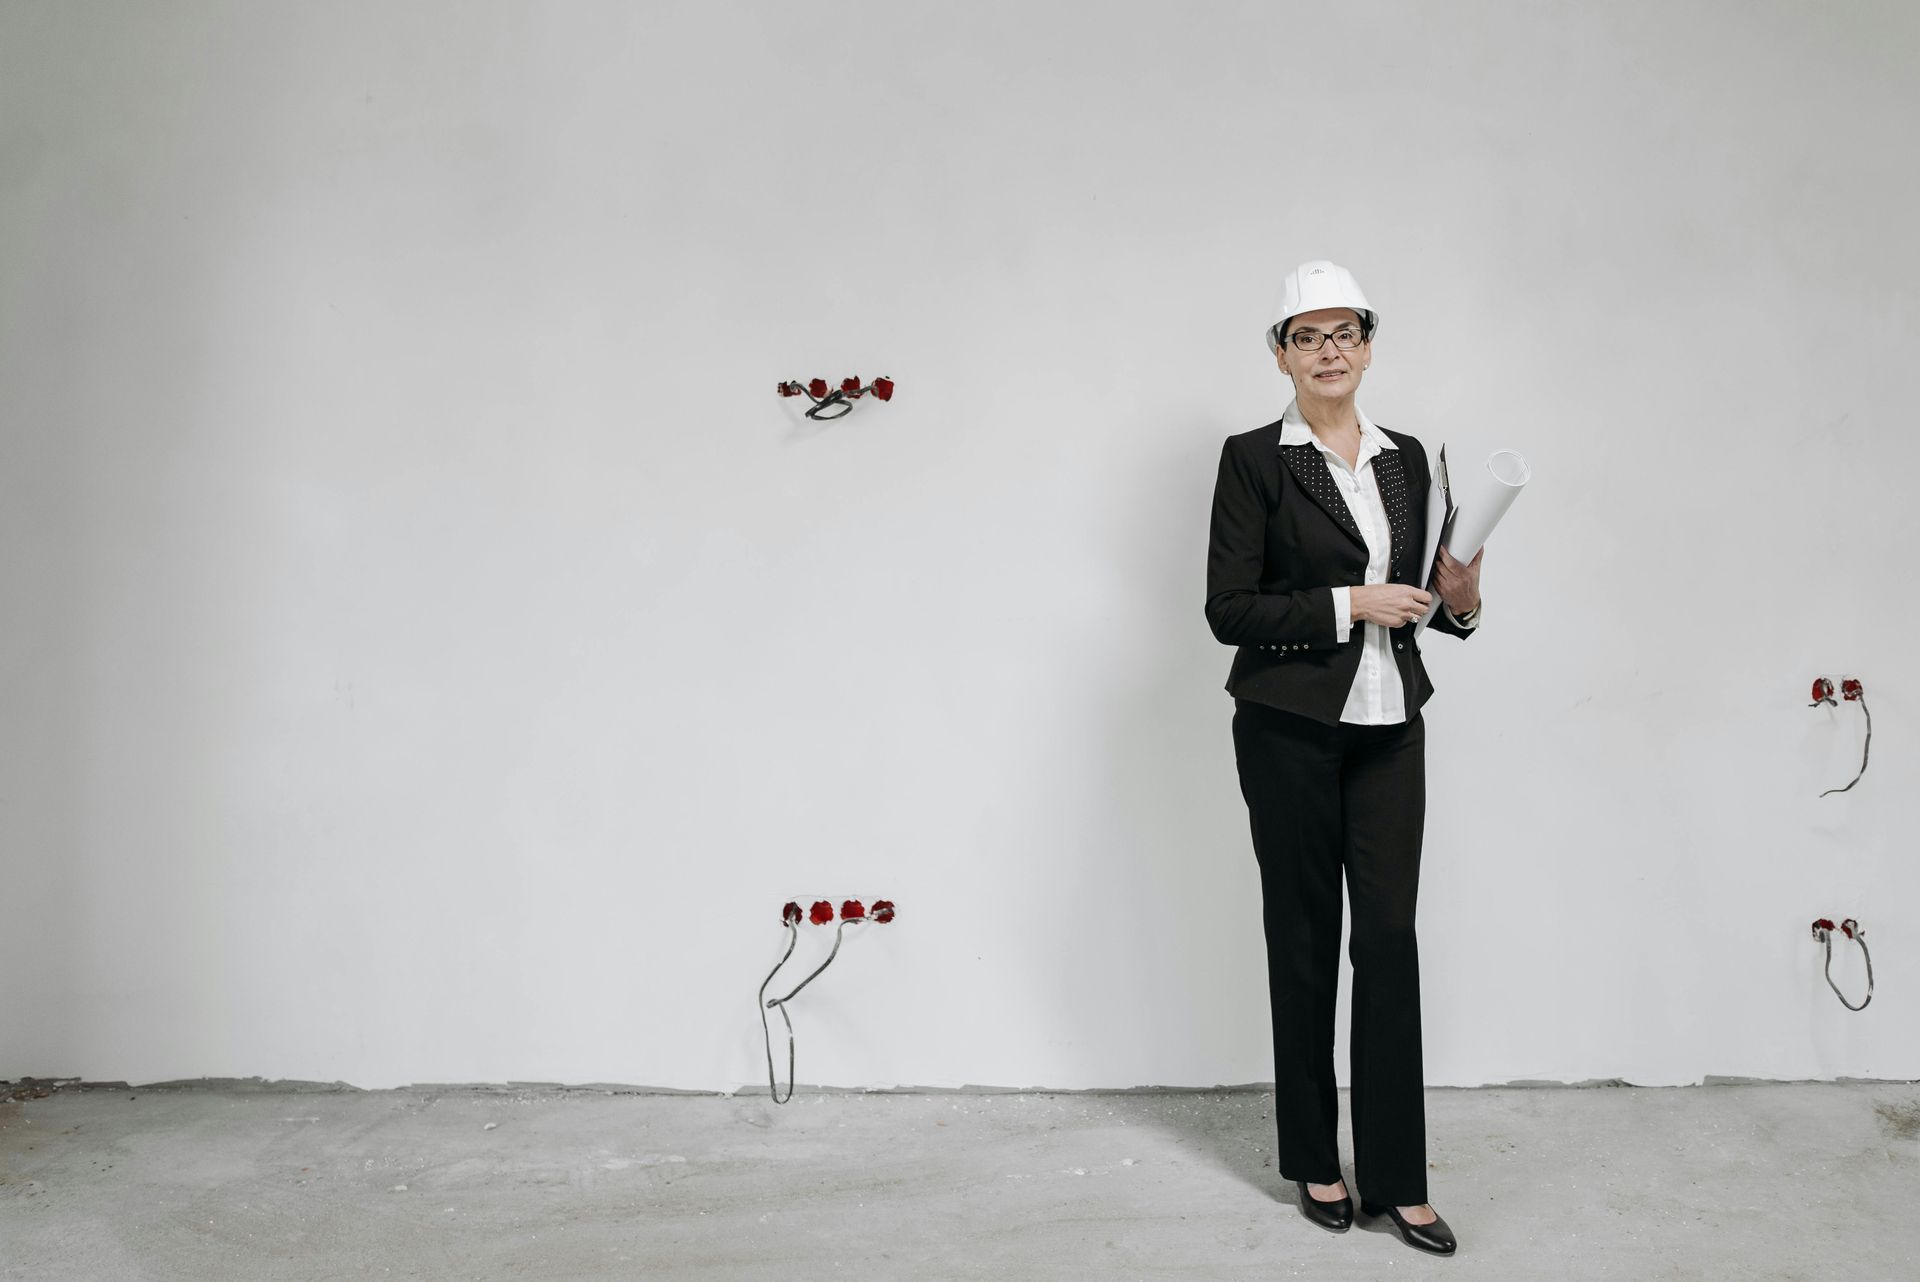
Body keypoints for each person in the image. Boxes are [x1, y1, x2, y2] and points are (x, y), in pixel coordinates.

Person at [1204, 261, 1483, 1257]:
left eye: (1346, 332)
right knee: (1305, 936)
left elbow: (1436, 613)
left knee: (1391, 941)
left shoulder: (1409, 458)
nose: (1330, 351)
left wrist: (1459, 596)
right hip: (1285, 726)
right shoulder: (1252, 459)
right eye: (1308, 335)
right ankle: (1316, 1159)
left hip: (1389, 725)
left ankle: (1400, 1179)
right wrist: (1347, 603)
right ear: (1279, 352)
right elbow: (1227, 609)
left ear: (1367, 344)